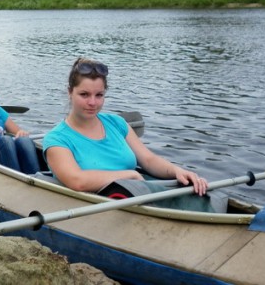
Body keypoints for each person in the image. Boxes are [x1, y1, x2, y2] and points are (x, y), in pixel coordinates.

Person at [43, 57, 208, 196]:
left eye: (99, 95)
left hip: (135, 194)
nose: (92, 102)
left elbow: (149, 160)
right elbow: (77, 181)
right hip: (100, 203)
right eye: (84, 94)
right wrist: (129, 175)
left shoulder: (117, 123)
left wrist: (176, 171)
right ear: (70, 92)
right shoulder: (56, 139)